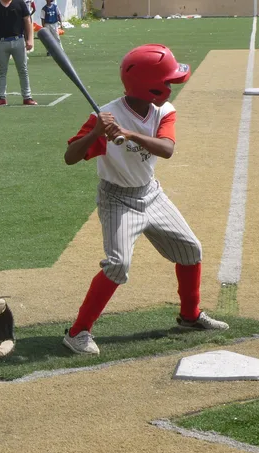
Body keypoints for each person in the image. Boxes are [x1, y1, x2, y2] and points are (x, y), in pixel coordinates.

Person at [62, 44, 229, 356]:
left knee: (191, 249)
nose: (170, 87)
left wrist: (128, 133)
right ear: (148, 86)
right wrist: (96, 131)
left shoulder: (164, 111)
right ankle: (77, 332)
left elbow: (166, 149)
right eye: (166, 82)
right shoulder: (104, 117)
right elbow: (71, 157)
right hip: (117, 199)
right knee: (118, 264)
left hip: (151, 194)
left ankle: (190, 317)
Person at [0, 0, 37, 106]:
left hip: (18, 40)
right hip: (0, 42)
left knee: (23, 70)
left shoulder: (20, 3)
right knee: (1, 71)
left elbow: (27, 20)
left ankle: (27, 97)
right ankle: (1, 97)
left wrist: (30, 39)